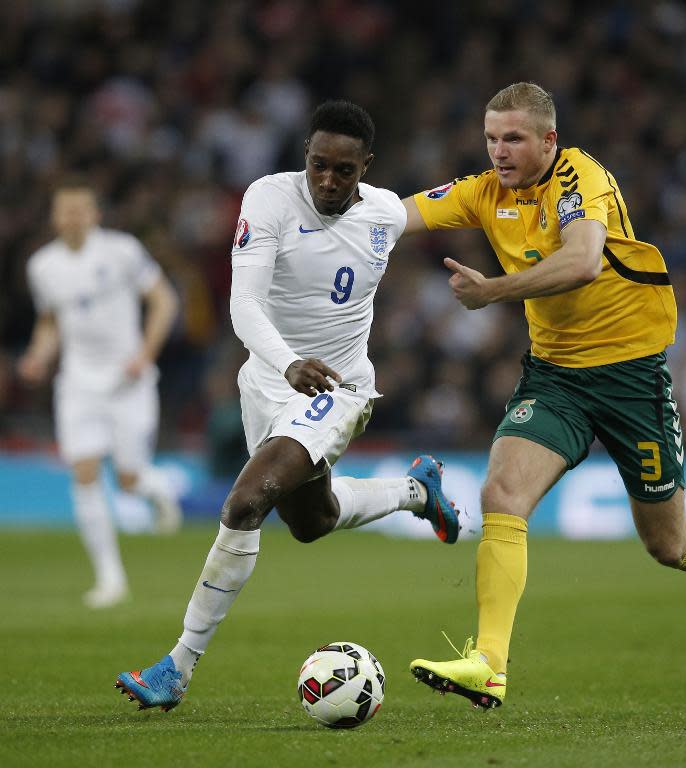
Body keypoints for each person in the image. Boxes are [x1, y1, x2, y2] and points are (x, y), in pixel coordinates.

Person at [404, 82, 686, 710]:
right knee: (502, 492)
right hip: (556, 375)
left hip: (631, 376)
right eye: (491, 139)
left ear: (548, 139)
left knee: (666, 546)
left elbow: (583, 261)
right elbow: (399, 214)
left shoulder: (580, 178)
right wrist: (326, 217)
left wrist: (493, 292)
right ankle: (489, 663)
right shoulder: (483, 191)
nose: (499, 152)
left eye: (513, 139)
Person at [114, 100, 460, 711]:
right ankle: (416, 491)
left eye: (344, 170)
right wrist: (287, 363)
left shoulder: (384, 212)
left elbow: (463, 198)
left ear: (366, 168)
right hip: (271, 381)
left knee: (246, 502)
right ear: (306, 155)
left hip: (339, 389)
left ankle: (176, 668)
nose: (327, 180)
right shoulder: (269, 198)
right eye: (318, 165)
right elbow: (243, 303)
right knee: (311, 521)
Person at [17, 182, 182, 609]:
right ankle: (110, 578)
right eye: (64, 210)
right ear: (54, 216)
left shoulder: (122, 251)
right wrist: (38, 356)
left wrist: (144, 355)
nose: (72, 217)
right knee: (84, 471)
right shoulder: (43, 266)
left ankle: (155, 487)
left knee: (128, 480)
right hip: (77, 383)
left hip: (128, 381)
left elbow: (164, 301)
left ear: (94, 214)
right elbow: (50, 322)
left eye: (79, 209)